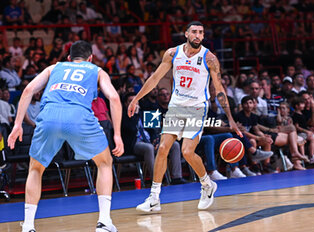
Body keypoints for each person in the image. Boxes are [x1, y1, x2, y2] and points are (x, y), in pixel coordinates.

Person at [129, 21, 258, 212]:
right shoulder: (172, 53)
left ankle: (207, 185)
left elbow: (219, 89)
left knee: (187, 152)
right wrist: (136, 99)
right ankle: (154, 197)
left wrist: (229, 117)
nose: (198, 35)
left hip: (197, 108)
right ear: (186, 34)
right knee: (163, 147)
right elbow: (155, 78)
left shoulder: (210, 58)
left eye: (201, 33)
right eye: (194, 32)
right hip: (176, 106)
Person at [7, 41, 124, 232]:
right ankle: (104, 222)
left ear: (68, 58)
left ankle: (28, 226)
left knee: (35, 169)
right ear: (90, 58)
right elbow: (114, 98)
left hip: (49, 116)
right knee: (104, 163)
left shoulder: (54, 67)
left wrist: (18, 124)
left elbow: (28, 90)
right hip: (79, 116)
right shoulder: (97, 70)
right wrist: (117, 135)